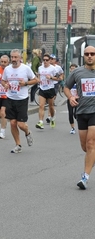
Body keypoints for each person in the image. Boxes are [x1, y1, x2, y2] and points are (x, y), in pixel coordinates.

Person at [64, 46, 95, 189]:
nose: (90, 56)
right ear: (84, 56)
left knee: (90, 143)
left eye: (92, 54)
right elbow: (66, 87)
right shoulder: (77, 72)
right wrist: (70, 97)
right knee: (85, 147)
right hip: (82, 112)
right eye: (87, 54)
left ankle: (85, 178)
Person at [2, 49, 37, 153]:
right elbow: (3, 81)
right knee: (12, 123)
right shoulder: (7, 69)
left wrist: (25, 83)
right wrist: (5, 85)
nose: (13, 59)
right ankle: (18, 145)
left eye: (15, 57)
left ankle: (27, 132)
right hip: (10, 99)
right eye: (12, 57)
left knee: (21, 124)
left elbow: (36, 80)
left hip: (22, 99)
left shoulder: (26, 69)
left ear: (20, 58)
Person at [35, 53, 58, 130]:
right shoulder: (40, 68)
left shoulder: (53, 68)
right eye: (43, 60)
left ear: (49, 60)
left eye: (47, 60)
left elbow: (58, 78)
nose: (45, 61)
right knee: (41, 105)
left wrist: (51, 77)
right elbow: (39, 76)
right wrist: (38, 79)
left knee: (51, 107)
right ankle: (40, 122)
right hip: (42, 89)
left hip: (50, 89)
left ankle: (52, 118)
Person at [45, 54, 64, 123]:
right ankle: (52, 111)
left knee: (52, 101)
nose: (51, 60)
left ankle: (49, 116)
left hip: (55, 85)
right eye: (50, 59)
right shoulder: (45, 67)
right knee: (49, 102)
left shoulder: (58, 67)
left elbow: (61, 74)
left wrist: (61, 78)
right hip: (47, 85)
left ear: (55, 60)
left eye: (52, 59)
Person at [66, 63, 78, 134]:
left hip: (78, 98)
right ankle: (72, 128)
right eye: (71, 68)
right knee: (70, 113)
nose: (72, 70)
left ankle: (81, 125)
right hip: (70, 98)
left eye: (74, 68)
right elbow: (66, 88)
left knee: (76, 114)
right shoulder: (68, 78)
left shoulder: (79, 77)